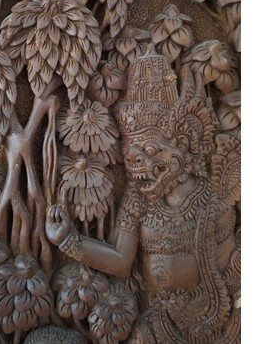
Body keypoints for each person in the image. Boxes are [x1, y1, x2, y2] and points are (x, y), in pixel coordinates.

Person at [46, 46, 240, 342]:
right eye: (132, 156)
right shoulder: (139, 198)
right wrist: (68, 240)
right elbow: (120, 260)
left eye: (151, 150)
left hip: (222, 318)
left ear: (184, 141)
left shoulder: (215, 192)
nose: (140, 165)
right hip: (160, 322)